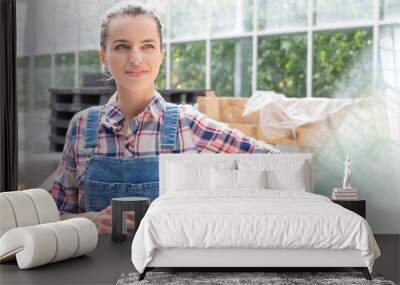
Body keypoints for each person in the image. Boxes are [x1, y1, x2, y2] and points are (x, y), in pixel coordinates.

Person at [50, 1, 280, 235]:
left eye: (147, 46)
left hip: (168, 268)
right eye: (122, 46)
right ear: (103, 56)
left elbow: (276, 163)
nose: (136, 58)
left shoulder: (187, 125)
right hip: (95, 270)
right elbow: (56, 214)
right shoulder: (81, 127)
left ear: (161, 55)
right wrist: (88, 223)